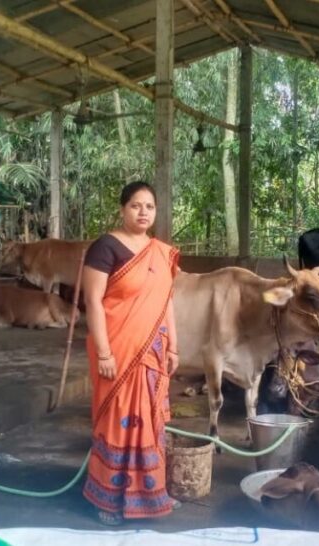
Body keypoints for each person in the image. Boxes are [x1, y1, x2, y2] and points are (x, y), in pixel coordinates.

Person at [80, 181, 181, 526]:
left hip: (153, 352)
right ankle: (107, 499)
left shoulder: (161, 252)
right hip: (117, 349)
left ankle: (151, 493)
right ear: (123, 209)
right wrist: (105, 353)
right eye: (136, 206)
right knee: (118, 421)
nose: (143, 212)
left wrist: (174, 346)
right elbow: (93, 301)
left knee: (150, 422)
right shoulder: (105, 247)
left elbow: (165, 301)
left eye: (149, 206)